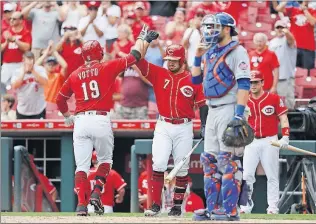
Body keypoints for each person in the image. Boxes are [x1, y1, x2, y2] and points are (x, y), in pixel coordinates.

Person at [55, 26, 159, 216]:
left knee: (82, 167)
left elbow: (59, 100)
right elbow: (134, 55)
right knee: (105, 161)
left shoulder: (75, 73)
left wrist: (67, 116)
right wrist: (143, 38)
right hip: (100, 119)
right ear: (99, 53)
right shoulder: (106, 66)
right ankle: (96, 192)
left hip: (80, 121)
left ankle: (80, 206)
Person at [135, 40, 208, 217]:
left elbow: (203, 105)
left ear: (182, 59)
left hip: (184, 125)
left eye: (175, 59)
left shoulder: (193, 79)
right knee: (158, 164)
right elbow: (138, 61)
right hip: (163, 124)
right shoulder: (160, 73)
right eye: (168, 58)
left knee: (181, 168)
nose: (171, 62)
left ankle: (176, 206)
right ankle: (155, 206)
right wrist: (143, 42)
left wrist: (204, 125)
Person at [191, 12, 251, 221]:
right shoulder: (209, 51)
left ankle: (230, 211)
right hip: (212, 108)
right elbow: (195, 80)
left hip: (229, 106)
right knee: (209, 161)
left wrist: (239, 115)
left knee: (228, 161)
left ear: (227, 29)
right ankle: (212, 208)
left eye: (214, 27)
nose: (210, 31)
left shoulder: (237, 51)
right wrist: (197, 55)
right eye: (208, 27)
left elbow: (244, 83)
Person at [240, 71, 290, 214]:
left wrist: (285, 136)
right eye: (250, 82)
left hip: (270, 140)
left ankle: (273, 207)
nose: (253, 85)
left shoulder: (273, 98)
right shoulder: (244, 100)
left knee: (272, 175)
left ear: (262, 82)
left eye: (256, 82)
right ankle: (245, 206)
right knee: (247, 175)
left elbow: (284, 118)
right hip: (251, 141)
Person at [11, 51, 48, 119]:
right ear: (23, 61)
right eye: (27, 60)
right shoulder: (17, 71)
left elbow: (45, 82)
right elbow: (14, 86)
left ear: (34, 61)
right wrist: (23, 73)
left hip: (39, 109)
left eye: (31, 60)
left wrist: (33, 71)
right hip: (22, 110)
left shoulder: (40, 69)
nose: (29, 63)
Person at [269, 20, 297, 109]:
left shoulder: (288, 40)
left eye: (282, 27)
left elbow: (291, 39)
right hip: (273, 77)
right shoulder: (272, 42)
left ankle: (291, 121)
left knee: (288, 103)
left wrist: (286, 32)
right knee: (274, 103)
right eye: (278, 27)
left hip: (286, 76)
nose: (280, 29)